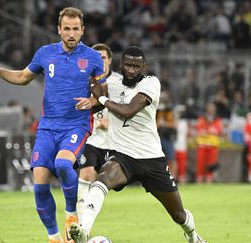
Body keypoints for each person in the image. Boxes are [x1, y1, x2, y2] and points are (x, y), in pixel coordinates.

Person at [0, 7, 106, 243]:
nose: (71, 34)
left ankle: (71, 214)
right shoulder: (45, 53)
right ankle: (54, 237)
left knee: (62, 163)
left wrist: (92, 100)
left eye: (76, 29)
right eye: (67, 29)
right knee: (39, 179)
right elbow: (22, 77)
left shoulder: (92, 57)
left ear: (83, 31)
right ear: (59, 30)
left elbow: (102, 95)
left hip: (76, 125)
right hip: (48, 127)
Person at [69, 46, 207, 243]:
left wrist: (100, 97)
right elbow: (96, 104)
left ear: (144, 66)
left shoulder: (151, 83)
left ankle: (193, 236)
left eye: (136, 66)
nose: (131, 69)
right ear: (121, 65)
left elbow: (127, 111)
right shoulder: (112, 83)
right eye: (128, 65)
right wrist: (89, 99)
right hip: (123, 156)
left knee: (178, 215)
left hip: (151, 159)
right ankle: (84, 229)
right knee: (102, 180)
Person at [76, 43, 122, 221]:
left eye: (103, 58)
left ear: (109, 60)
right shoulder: (85, 81)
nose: (100, 61)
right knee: (86, 175)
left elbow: (127, 108)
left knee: (102, 184)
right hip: (93, 139)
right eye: (96, 58)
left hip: (115, 141)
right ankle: (80, 227)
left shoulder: (119, 82)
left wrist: (111, 123)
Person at [195, 102, 223, 183]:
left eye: (212, 108)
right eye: (210, 108)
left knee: (211, 165)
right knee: (200, 164)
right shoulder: (201, 119)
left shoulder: (218, 120)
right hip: (202, 145)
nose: (211, 110)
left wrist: (208, 130)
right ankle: (199, 180)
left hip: (213, 146)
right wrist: (208, 130)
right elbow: (199, 130)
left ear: (215, 110)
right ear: (207, 109)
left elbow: (219, 131)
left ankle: (209, 180)